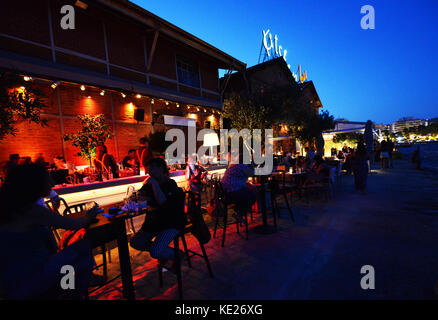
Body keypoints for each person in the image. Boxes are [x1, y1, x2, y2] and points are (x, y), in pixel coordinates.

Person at [0, 164, 98, 299]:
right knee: (82, 247)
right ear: (36, 184)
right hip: (31, 279)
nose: (52, 183)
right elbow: (75, 225)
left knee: (65, 260)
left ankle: (67, 288)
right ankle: (72, 294)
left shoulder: (13, 208)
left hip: (12, 280)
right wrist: (90, 214)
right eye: (48, 179)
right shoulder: (32, 210)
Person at [130, 158, 186, 270]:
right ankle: (163, 252)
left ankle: (177, 254)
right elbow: (138, 196)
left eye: (151, 169)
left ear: (161, 168)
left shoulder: (170, 184)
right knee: (135, 242)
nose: (148, 172)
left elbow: (162, 202)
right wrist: (137, 196)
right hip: (154, 221)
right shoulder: (149, 182)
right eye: (148, 170)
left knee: (155, 252)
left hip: (171, 223)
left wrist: (154, 184)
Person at [221, 153, 257, 221]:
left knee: (249, 190)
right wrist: (252, 163)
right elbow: (252, 173)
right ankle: (240, 213)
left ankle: (238, 210)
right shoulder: (242, 166)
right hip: (233, 194)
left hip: (225, 193)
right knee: (253, 193)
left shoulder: (232, 166)